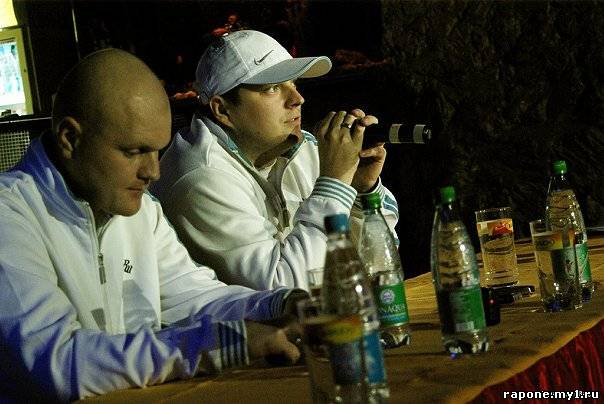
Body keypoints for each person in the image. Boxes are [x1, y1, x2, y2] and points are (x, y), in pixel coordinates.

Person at [0, 49, 304, 402]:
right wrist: (221, 343)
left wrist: (283, 304)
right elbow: (55, 362)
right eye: (134, 152)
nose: (153, 172)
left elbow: (194, 297)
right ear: (70, 137)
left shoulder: (139, 208)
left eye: (157, 151)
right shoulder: (10, 214)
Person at [150, 30, 398, 290]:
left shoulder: (299, 146)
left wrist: (359, 192)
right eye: (272, 88)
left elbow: (381, 263)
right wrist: (334, 183)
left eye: (294, 83)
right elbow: (287, 288)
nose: (297, 99)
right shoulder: (201, 176)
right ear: (222, 109)